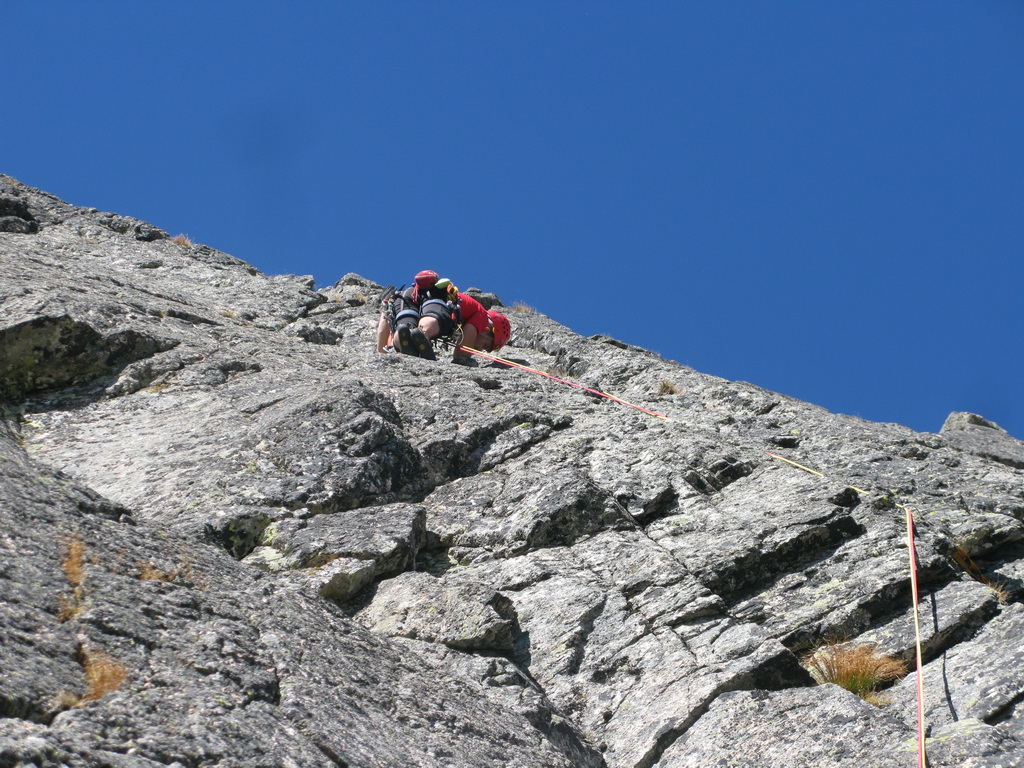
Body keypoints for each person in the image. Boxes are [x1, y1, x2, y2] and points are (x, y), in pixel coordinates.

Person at [376, 270, 511, 362]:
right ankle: (421, 334)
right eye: (485, 345)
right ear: (488, 329)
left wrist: (381, 353)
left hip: (406, 295)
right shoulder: (482, 316)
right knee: (430, 323)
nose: (480, 350)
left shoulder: (472, 310)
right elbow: (461, 354)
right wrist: (465, 359)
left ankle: (401, 341)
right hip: (435, 297)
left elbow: (385, 321)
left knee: (403, 329)